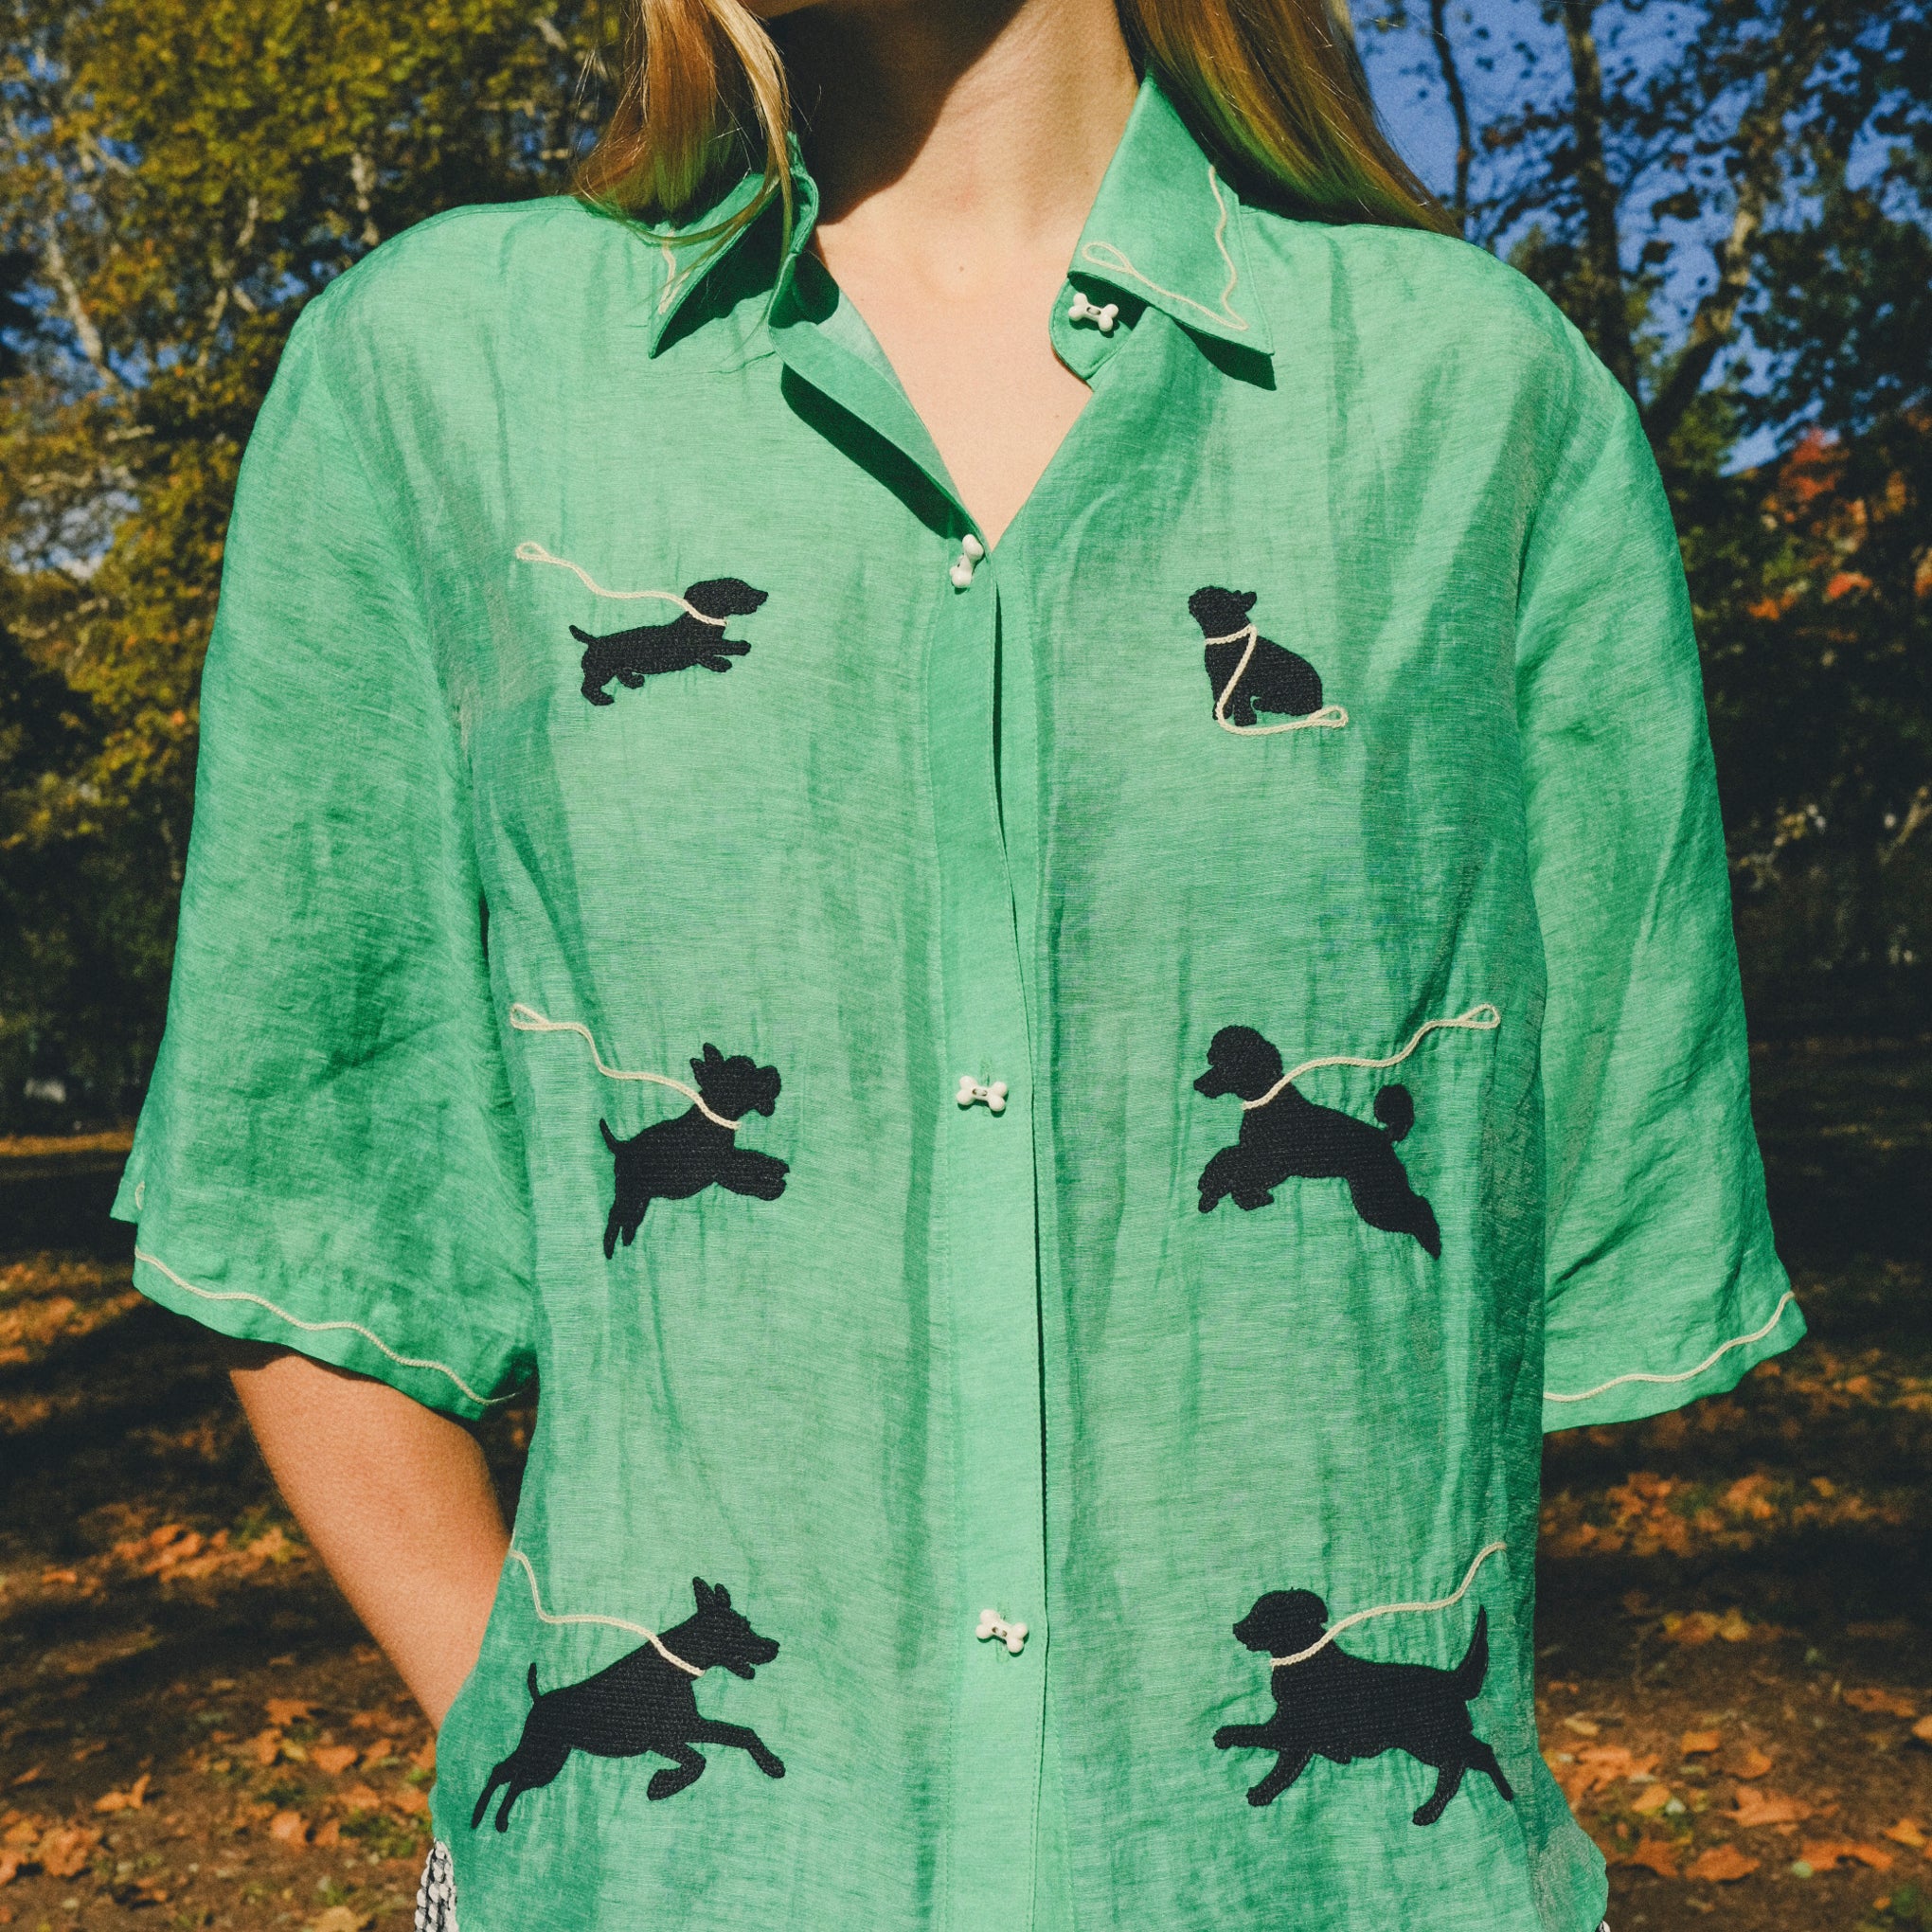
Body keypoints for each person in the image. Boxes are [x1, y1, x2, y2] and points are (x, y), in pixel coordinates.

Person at [113, 0, 1801, 1925]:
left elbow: (1552, 1267)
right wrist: (560, 1793)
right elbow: (310, 1203)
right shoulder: (437, 380)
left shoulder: (1477, 411)